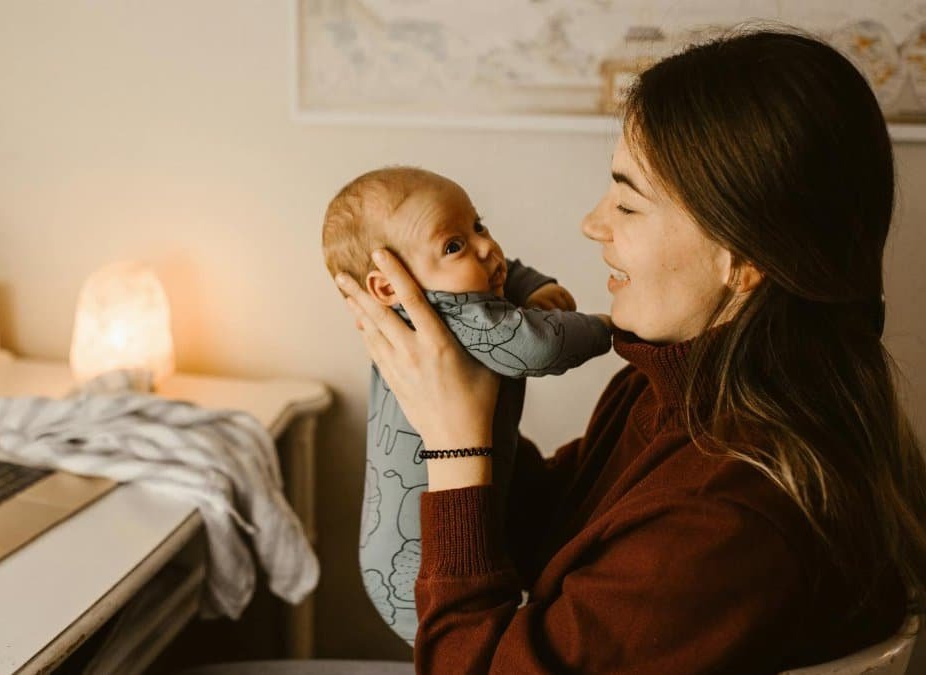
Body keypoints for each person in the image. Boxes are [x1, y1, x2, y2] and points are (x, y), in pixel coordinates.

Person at [333, 28, 926, 673]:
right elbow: (554, 529)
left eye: (629, 203)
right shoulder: (682, 386)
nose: (593, 223)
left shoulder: (726, 520)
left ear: (742, 258)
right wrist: (455, 402)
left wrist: (456, 448)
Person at [320, 166, 611, 643]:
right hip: (420, 569)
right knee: (471, 642)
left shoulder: (448, 293)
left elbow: (505, 268)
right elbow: (536, 346)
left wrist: (532, 287)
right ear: (389, 287)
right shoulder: (453, 314)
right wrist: (608, 328)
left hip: (409, 546)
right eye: (453, 245)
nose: (484, 246)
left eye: (478, 224)